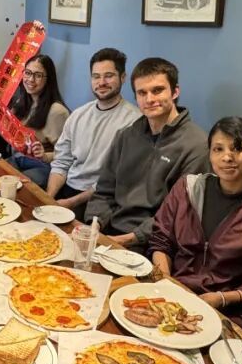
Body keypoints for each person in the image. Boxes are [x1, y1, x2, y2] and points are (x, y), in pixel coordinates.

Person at [147, 117, 242, 333]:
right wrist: (166, 284)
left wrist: (222, 299)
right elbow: (161, 240)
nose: (227, 157)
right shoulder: (186, 189)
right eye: (218, 149)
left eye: (238, 149)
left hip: (227, 314)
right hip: (172, 296)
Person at [84, 57, 208, 253]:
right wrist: (94, 225)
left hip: (155, 243)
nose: (149, 99)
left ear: (175, 92)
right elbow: (104, 191)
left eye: (157, 90)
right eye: (142, 93)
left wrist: (127, 240)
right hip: (111, 230)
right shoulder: (126, 135)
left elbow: (179, 213)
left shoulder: (197, 145)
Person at [46, 48, 140, 219]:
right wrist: (48, 198)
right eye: (96, 76)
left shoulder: (134, 121)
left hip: (102, 199)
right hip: (68, 189)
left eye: (109, 76)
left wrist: (72, 203)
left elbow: (117, 179)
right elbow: (61, 162)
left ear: (123, 77)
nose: (101, 82)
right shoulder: (78, 115)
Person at [6, 54, 69, 188]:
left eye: (38, 75)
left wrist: (45, 155)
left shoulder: (57, 111)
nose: (30, 79)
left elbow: (67, 154)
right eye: (27, 73)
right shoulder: (22, 101)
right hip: (18, 158)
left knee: (13, 186)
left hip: (43, 165)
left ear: (48, 79)